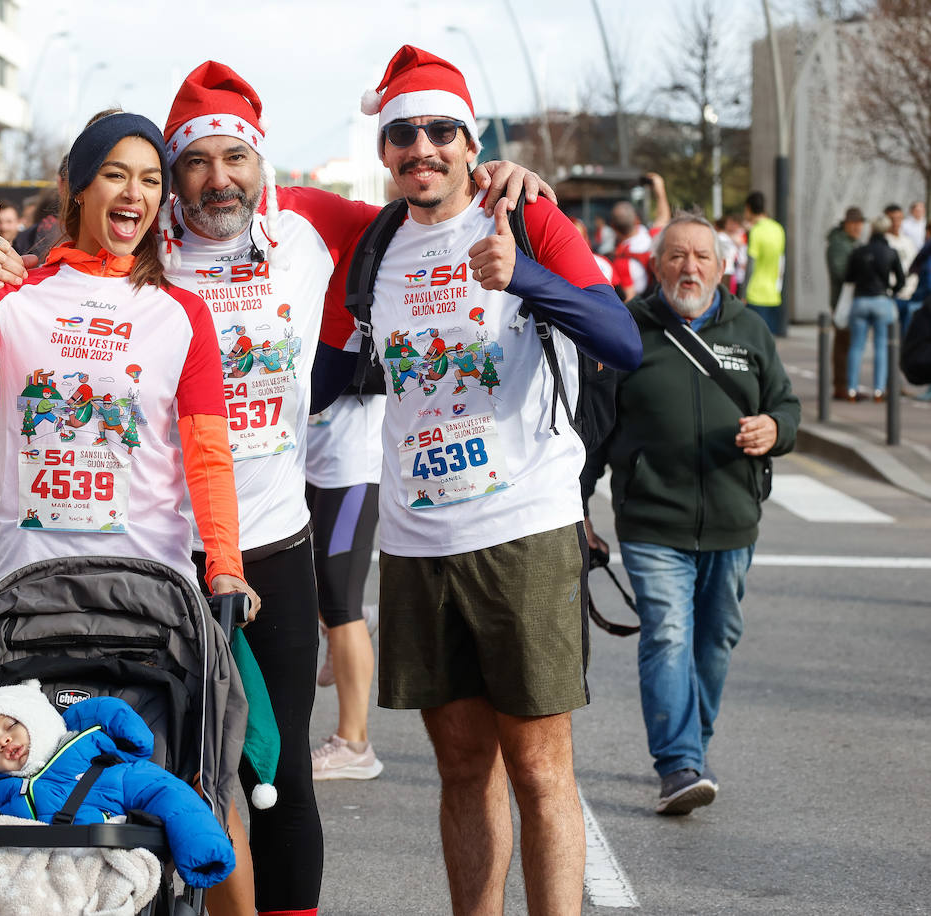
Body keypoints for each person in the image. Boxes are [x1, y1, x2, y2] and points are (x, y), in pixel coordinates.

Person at [156, 60, 551, 916]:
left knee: (281, 770)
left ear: (261, 163)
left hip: (272, 543)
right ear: (172, 170)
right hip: (158, 550)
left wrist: (506, 183)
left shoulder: (305, 223)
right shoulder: (138, 245)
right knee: (172, 767)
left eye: (235, 157)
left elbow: (425, 206)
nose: (217, 177)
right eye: (196, 161)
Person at [310, 46, 641, 915]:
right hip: (417, 543)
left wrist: (525, 276)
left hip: (522, 529)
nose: (422, 147)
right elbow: (311, 353)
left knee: (538, 766)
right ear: (383, 151)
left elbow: (623, 338)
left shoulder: (526, 219)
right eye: (402, 133)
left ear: (472, 140)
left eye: (441, 130)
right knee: (460, 767)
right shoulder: (372, 245)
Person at [0, 111, 258, 639]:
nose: (134, 192)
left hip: (150, 585)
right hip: (33, 584)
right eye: (115, 174)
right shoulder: (11, 291)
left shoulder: (184, 312)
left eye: (151, 180)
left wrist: (226, 566)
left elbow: (208, 451)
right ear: (80, 190)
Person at [584, 212, 799, 815]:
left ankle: (692, 746)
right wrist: (580, 510)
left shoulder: (750, 330)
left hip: (733, 520)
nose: (690, 267)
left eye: (702, 256)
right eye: (677, 256)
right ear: (657, 266)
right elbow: (595, 433)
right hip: (653, 521)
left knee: (716, 638)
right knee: (669, 633)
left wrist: (775, 428)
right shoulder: (627, 330)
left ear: (722, 266)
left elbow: (786, 403)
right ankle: (678, 764)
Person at [0, 680, 235, 888]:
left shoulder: (109, 764)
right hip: (31, 879)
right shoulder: (2, 793)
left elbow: (170, 795)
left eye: (10, 725)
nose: (3, 741)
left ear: (36, 717)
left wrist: (200, 848)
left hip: (100, 869)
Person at [306, 393, 384, 782]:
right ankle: (353, 628)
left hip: (353, 463)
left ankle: (355, 746)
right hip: (307, 452)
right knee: (308, 582)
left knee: (340, 601)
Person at [843, 213, 904, 402]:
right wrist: (891, 291)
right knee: (881, 347)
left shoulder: (859, 251)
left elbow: (848, 277)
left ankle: (851, 389)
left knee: (856, 347)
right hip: (881, 300)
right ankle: (878, 390)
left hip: (861, 300)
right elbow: (901, 279)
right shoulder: (890, 252)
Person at [608, 172, 670, 301]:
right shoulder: (652, 237)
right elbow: (663, 217)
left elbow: (629, 299)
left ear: (613, 226)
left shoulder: (621, 260)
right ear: (636, 220)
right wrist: (660, 189)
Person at [825, 207, 864, 400]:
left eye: (860, 223)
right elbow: (840, 272)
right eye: (855, 223)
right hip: (842, 300)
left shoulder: (851, 242)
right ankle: (841, 385)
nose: (858, 227)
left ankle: (848, 384)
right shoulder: (839, 244)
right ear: (847, 223)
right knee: (843, 342)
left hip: (850, 299)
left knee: (849, 342)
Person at [742, 191, 786, 337]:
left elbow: (750, 265)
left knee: (753, 341)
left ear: (748, 208)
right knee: (769, 342)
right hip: (773, 295)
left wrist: (742, 294)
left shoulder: (756, 231)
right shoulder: (778, 229)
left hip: (755, 294)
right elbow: (781, 262)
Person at [883, 203, 921, 333]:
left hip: (909, 295)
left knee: (906, 336)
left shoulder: (908, 242)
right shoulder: (883, 242)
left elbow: (916, 265)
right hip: (891, 296)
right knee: (890, 338)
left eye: (899, 219)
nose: (895, 223)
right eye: (892, 219)